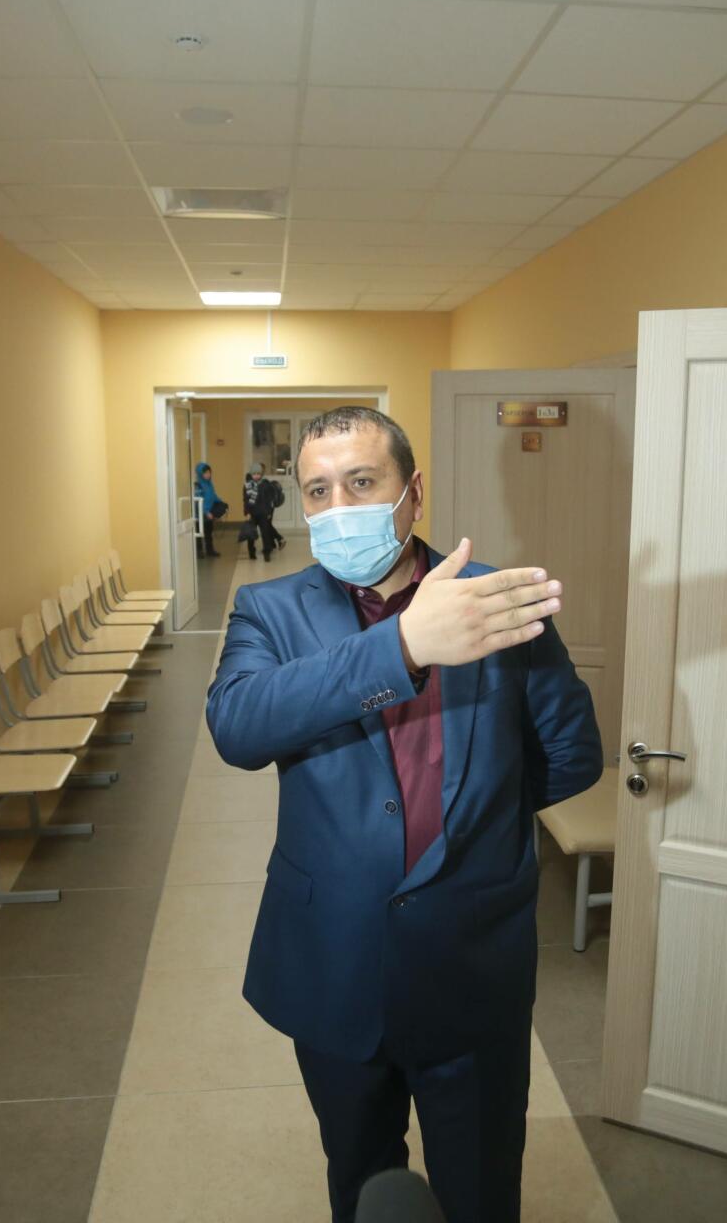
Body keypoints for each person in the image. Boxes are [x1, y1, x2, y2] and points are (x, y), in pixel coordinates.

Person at [205, 407, 602, 1222]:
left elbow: (571, 754)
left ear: (412, 491)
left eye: (361, 482)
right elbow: (238, 728)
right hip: (333, 959)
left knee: (482, 1188)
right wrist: (405, 646)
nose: (338, 506)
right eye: (318, 490)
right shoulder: (270, 611)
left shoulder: (493, 600)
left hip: (472, 957)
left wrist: (480, 824)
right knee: (361, 1179)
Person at [243, 463, 283, 561]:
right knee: (251, 534)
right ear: (251, 474)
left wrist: (268, 512)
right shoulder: (247, 486)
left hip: (263, 513)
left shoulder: (265, 485)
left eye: (258, 474)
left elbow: (268, 500)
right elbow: (246, 500)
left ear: (261, 474)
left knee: (265, 533)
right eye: (254, 474)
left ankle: (267, 552)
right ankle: (251, 552)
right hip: (252, 513)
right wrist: (247, 512)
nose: (256, 476)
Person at [194, 461, 223, 558]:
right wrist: (206, 512)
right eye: (205, 473)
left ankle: (210, 550)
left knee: (208, 532)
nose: (208, 474)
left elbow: (213, 496)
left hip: (209, 512)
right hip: (200, 514)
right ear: (200, 474)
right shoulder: (198, 485)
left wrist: (221, 503)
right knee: (199, 533)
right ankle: (199, 551)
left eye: (209, 472)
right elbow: (198, 501)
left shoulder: (209, 484)